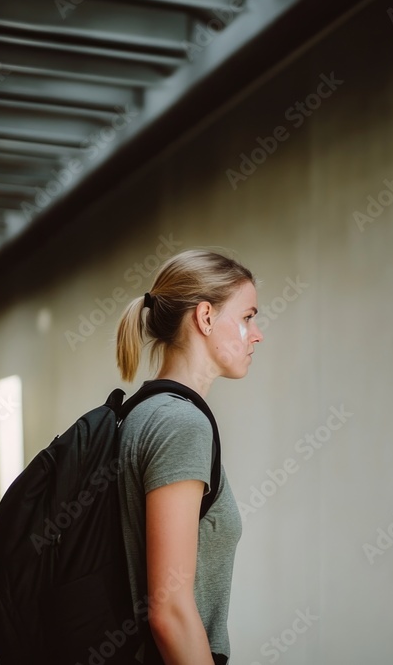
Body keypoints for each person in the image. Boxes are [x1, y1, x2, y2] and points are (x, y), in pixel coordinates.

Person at [114, 248, 263, 665]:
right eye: (248, 316)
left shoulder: (142, 411)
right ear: (206, 317)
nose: (257, 334)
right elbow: (170, 610)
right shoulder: (182, 424)